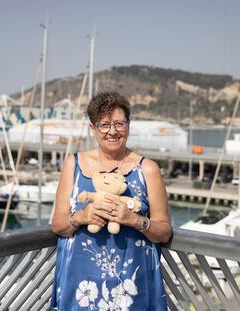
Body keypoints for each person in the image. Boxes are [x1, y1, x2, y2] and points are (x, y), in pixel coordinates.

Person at [50, 91, 172, 310]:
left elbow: (163, 231)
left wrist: (134, 220)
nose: (112, 131)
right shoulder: (73, 164)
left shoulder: (148, 169)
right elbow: (58, 225)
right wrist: (80, 216)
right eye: (104, 125)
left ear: (128, 125)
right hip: (80, 287)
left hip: (132, 289)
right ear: (93, 129)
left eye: (119, 123)